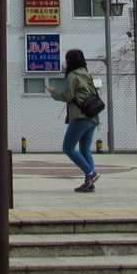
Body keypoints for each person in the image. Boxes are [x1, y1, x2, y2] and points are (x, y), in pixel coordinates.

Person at [46, 49, 99, 192]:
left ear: (70, 61)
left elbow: (68, 96)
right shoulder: (86, 74)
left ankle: (91, 173)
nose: (65, 62)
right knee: (85, 150)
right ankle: (89, 183)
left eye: (67, 59)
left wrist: (54, 92)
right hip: (92, 117)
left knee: (68, 148)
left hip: (80, 118)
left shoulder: (72, 75)